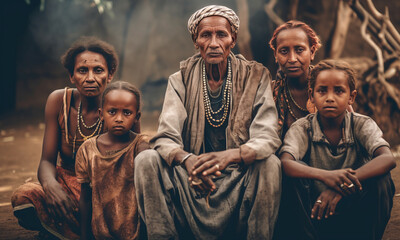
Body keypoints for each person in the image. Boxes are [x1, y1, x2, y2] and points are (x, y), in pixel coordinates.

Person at [134, 5, 282, 239]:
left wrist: (230, 156)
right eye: (206, 35)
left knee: (270, 164)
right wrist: (188, 160)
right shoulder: (180, 78)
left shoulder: (256, 75)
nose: (214, 43)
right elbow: (165, 136)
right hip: (192, 177)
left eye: (221, 34)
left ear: (232, 39)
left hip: (238, 177)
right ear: (196, 41)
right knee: (146, 159)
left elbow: (267, 136)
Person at [11, 36, 119, 239]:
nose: (89, 78)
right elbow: (46, 160)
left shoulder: (121, 104)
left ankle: (62, 230)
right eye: (82, 70)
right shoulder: (58, 101)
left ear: (110, 74)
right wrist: (52, 189)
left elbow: (132, 163)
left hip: (106, 191)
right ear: (71, 75)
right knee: (25, 196)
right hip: (67, 186)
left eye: (98, 70)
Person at [278, 59, 396, 239]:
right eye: (322, 90)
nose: (330, 97)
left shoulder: (361, 124)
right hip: (315, 214)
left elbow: (388, 158)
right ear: (312, 95)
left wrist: (339, 186)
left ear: (351, 97)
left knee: (382, 180)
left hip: (355, 213)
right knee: (292, 178)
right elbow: (286, 163)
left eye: (339, 91)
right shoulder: (302, 127)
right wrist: (326, 176)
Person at [76, 81, 149, 240]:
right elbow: (85, 198)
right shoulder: (88, 150)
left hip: (137, 234)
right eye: (112, 112)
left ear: (137, 117)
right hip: (101, 233)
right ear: (101, 114)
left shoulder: (141, 146)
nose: (119, 118)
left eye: (127, 113)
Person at [269, 20, 322, 139]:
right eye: (284, 51)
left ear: (312, 52)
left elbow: (351, 126)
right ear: (275, 55)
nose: (292, 59)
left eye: (299, 50)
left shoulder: (329, 87)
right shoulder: (270, 94)